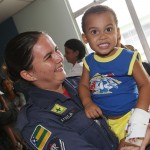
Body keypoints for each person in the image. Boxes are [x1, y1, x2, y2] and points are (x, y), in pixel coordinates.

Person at [4, 31, 119, 150]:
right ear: (28, 75)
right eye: (48, 57)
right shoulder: (36, 120)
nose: (60, 57)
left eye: (56, 49)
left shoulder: (81, 83)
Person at [78, 4, 150, 147]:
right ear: (85, 38)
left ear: (117, 32)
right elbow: (83, 85)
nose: (103, 36)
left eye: (108, 29)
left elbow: (146, 84)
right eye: (94, 32)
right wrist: (87, 103)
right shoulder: (89, 62)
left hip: (132, 116)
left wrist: (139, 116)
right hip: (107, 122)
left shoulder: (128, 57)